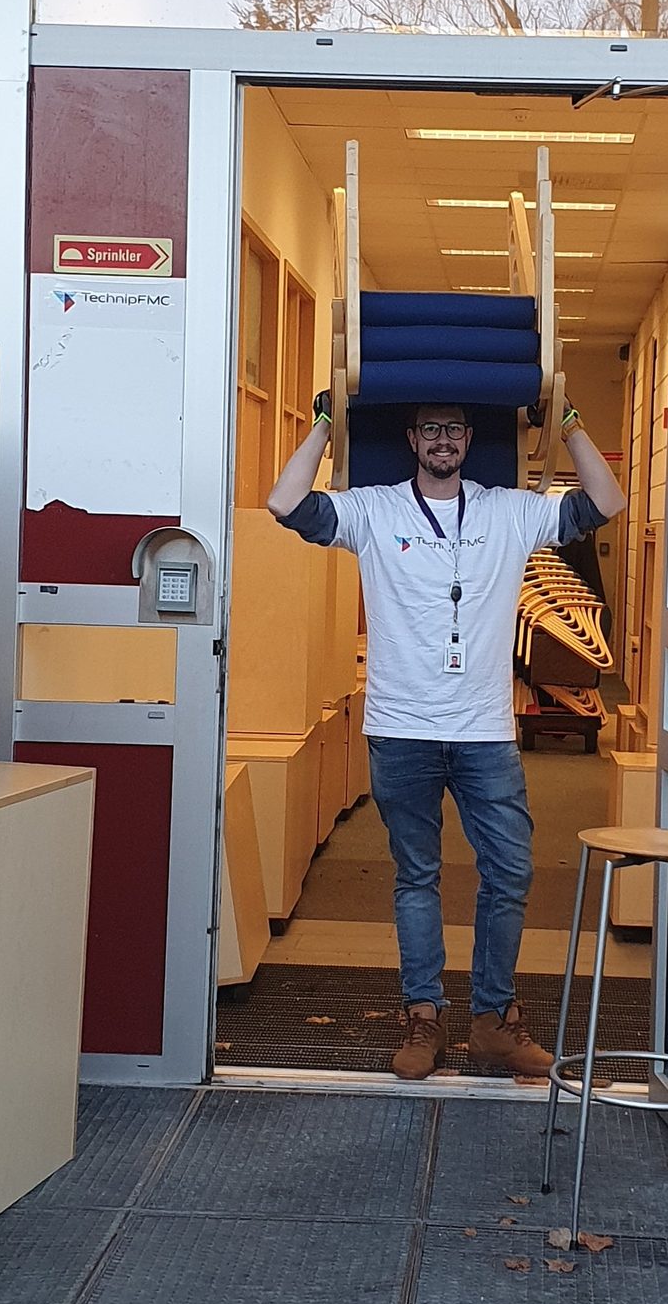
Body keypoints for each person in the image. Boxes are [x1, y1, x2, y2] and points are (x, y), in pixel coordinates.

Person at [268, 394, 627, 1082]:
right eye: (430, 429)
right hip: (400, 728)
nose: (442, 440)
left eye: (454, 430)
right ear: (412, 438)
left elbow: (605, 502)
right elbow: (287, 503)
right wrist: (320, 423)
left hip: (484, 732)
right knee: (418, 878)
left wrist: (573, 422)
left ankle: (493, 1024)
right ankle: (423, 1018)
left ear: (470, 439)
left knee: (511, 871)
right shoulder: (374, 510)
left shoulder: (508, 510)